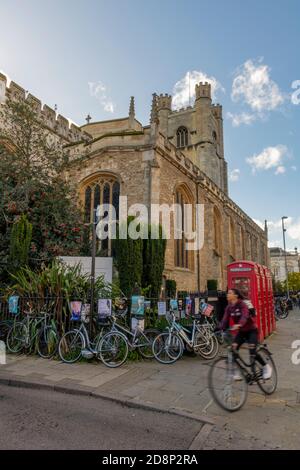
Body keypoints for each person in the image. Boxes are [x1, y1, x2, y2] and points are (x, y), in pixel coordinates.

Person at [220, 288, 272, 380]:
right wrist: (219, 328)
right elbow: (225, 320)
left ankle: (266, 367)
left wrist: (239, 324)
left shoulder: (242, 304)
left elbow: (245, 315)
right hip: (242, 332)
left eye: (229, 293)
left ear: (235, 295)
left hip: (252, 331)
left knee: (253, 351)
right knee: (233, 349)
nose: (227, 295)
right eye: (227, 293)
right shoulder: (229, 307)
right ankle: (237, 371)